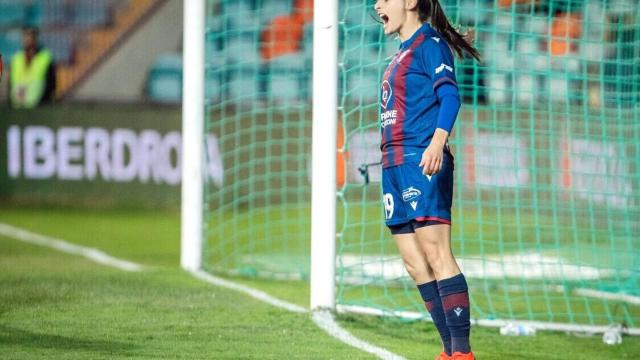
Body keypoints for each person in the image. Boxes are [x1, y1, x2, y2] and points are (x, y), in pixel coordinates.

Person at [373, 0, 480, 359]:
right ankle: (448, 350)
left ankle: (462, 353)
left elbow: (450, 96)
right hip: (394, 166)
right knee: (414, 262)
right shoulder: (398, 56)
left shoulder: (430, 45)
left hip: (422, 160)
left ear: (410, 2)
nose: (377, 4)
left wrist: (437, 142)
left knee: (436, 253)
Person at [9, 27, 56, 108]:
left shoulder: (45, 57)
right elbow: (11, 83)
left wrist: (43, 101)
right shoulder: (16, 58)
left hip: (38, 106)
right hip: (17, 106)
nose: (27, 39)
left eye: (30, 36)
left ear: (36, 38)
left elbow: (51, 84)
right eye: (25, 36)